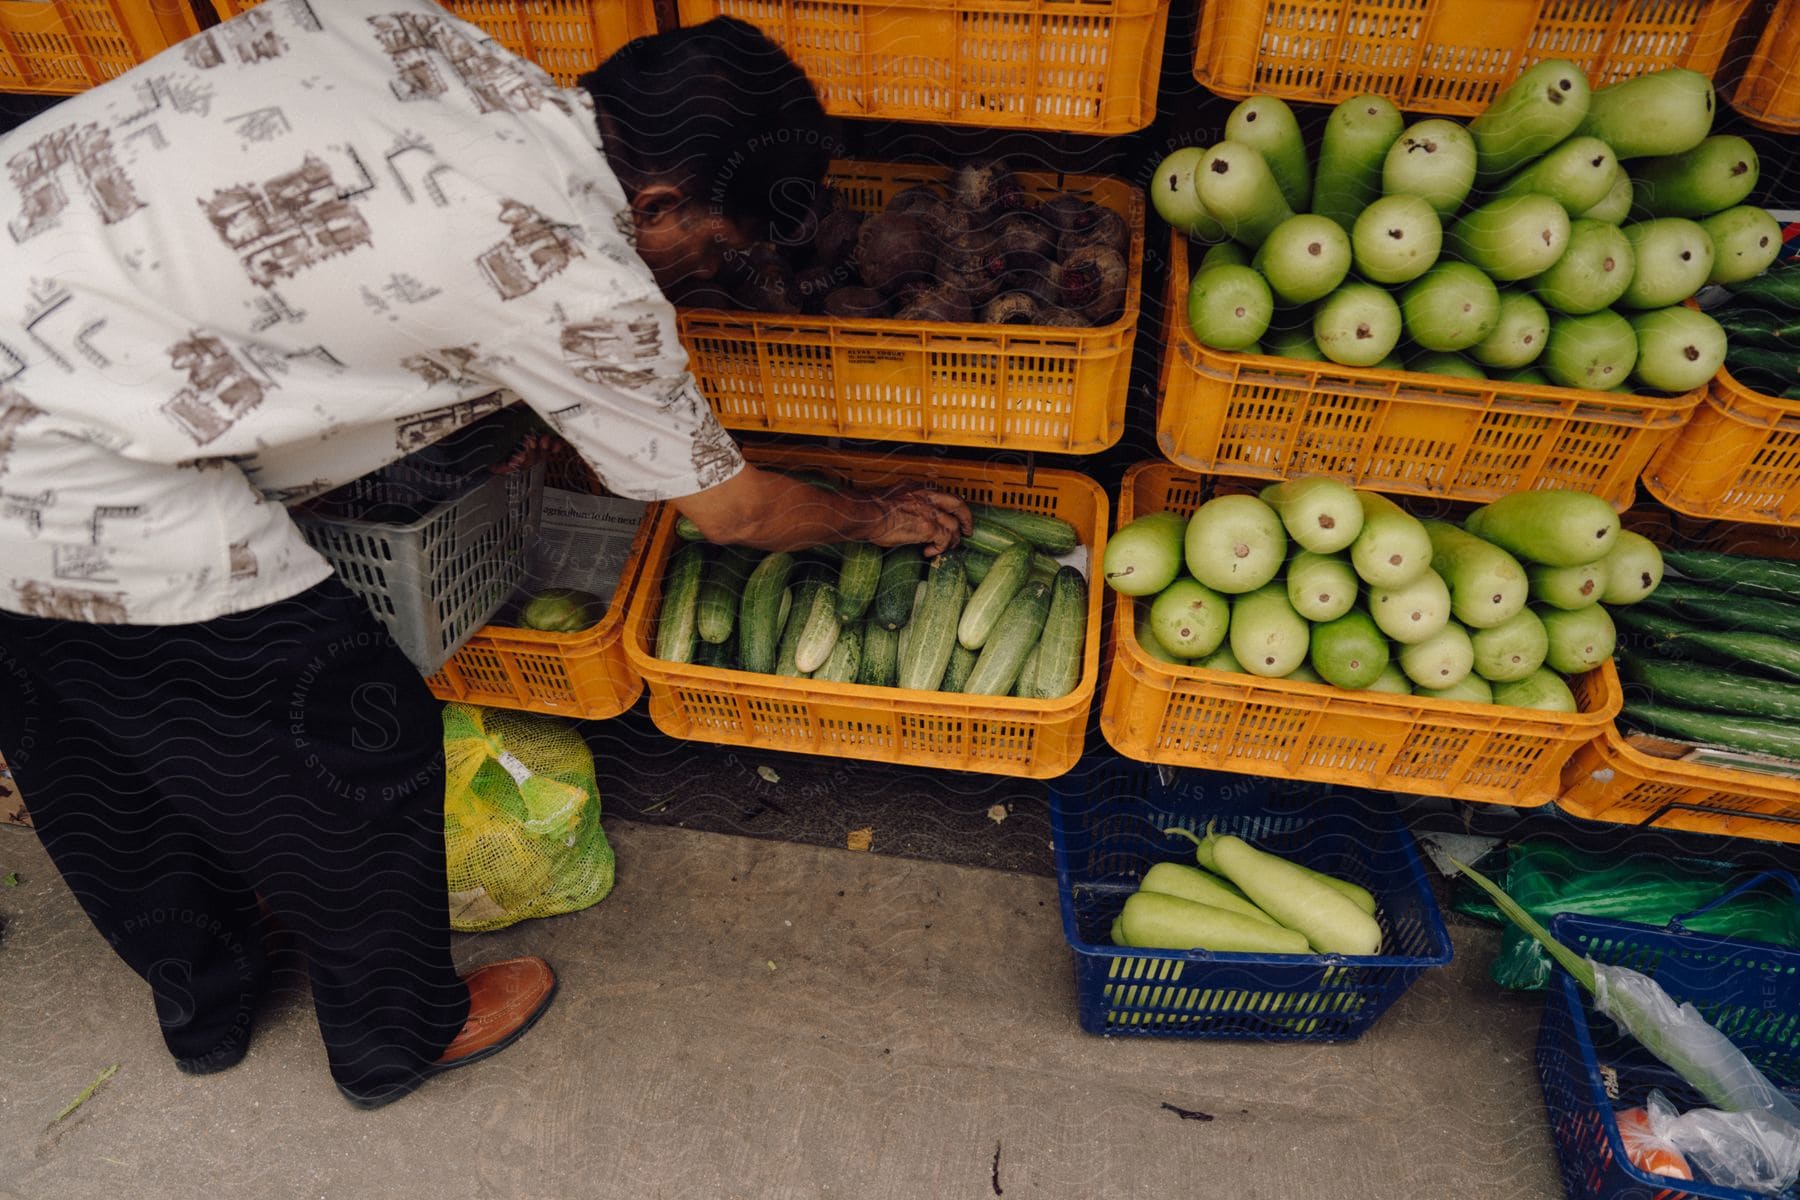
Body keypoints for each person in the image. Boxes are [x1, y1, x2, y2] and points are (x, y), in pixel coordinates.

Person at [0, 2, 969, 1110]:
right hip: (52, 462)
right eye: (711, 249)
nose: (699, 278)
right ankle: (398, 1034)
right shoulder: (576, 279)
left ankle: (205, 1006)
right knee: (352, 728)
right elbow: (734, 514)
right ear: (656, 201)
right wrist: (873, 517)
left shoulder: (414, 31)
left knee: (73, 720)